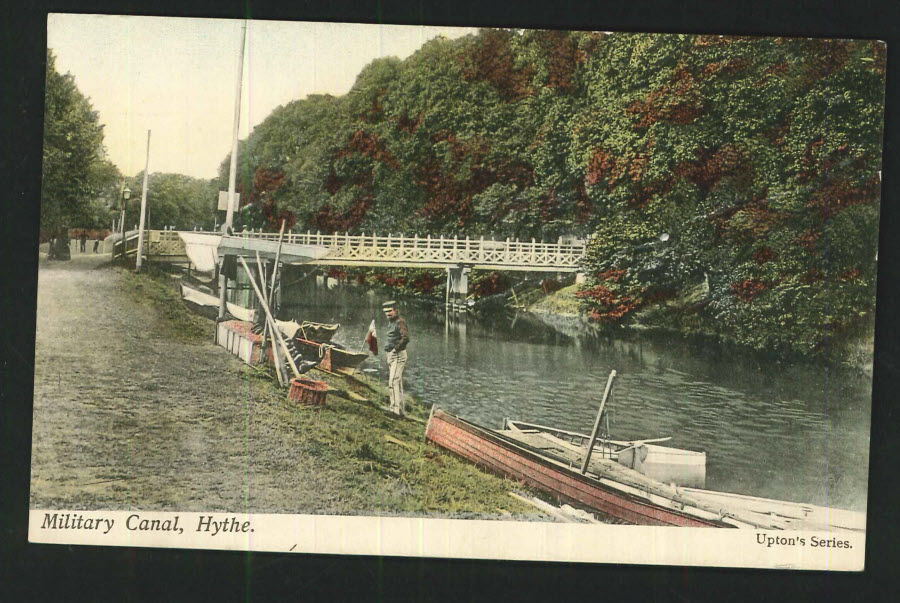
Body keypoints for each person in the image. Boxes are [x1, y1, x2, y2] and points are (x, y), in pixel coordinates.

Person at [382, 301, 410, 416]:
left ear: (395, 310)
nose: (388, 314)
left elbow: (406, 338)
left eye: (390, 311)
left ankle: (394, 410)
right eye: (386, 312)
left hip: (397, 355)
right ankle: (401, 410)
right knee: (397, 383)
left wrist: (394, 350)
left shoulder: (400, 322)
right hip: (392, 355)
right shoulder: (392, 322)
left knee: (393, 382)